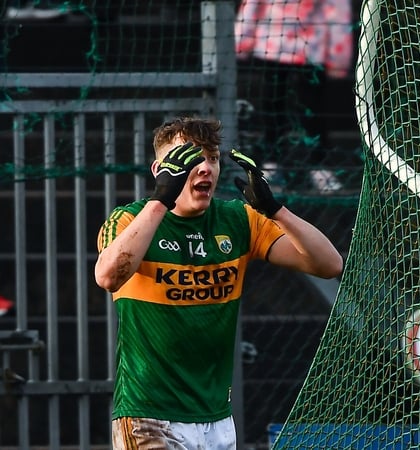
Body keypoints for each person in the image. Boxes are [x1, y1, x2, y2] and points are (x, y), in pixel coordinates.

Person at [94, 117, 343, 448]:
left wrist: (275, 209)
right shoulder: (129, 220)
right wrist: (160, 200)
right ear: (159, 170)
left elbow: (329, 264)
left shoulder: (238, 220)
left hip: (216, 419)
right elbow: (108, 276)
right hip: (149, 414)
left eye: (211, 158)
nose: (204, 168)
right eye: (189, 159)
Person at [235, 0, 354, 193]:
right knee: (273, 104)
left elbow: (337, 8)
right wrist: (243, 39)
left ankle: (318, 165)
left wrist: (337, 55)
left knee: (312, 108)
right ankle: (270, 163)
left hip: (312, 45)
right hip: (272, 43)